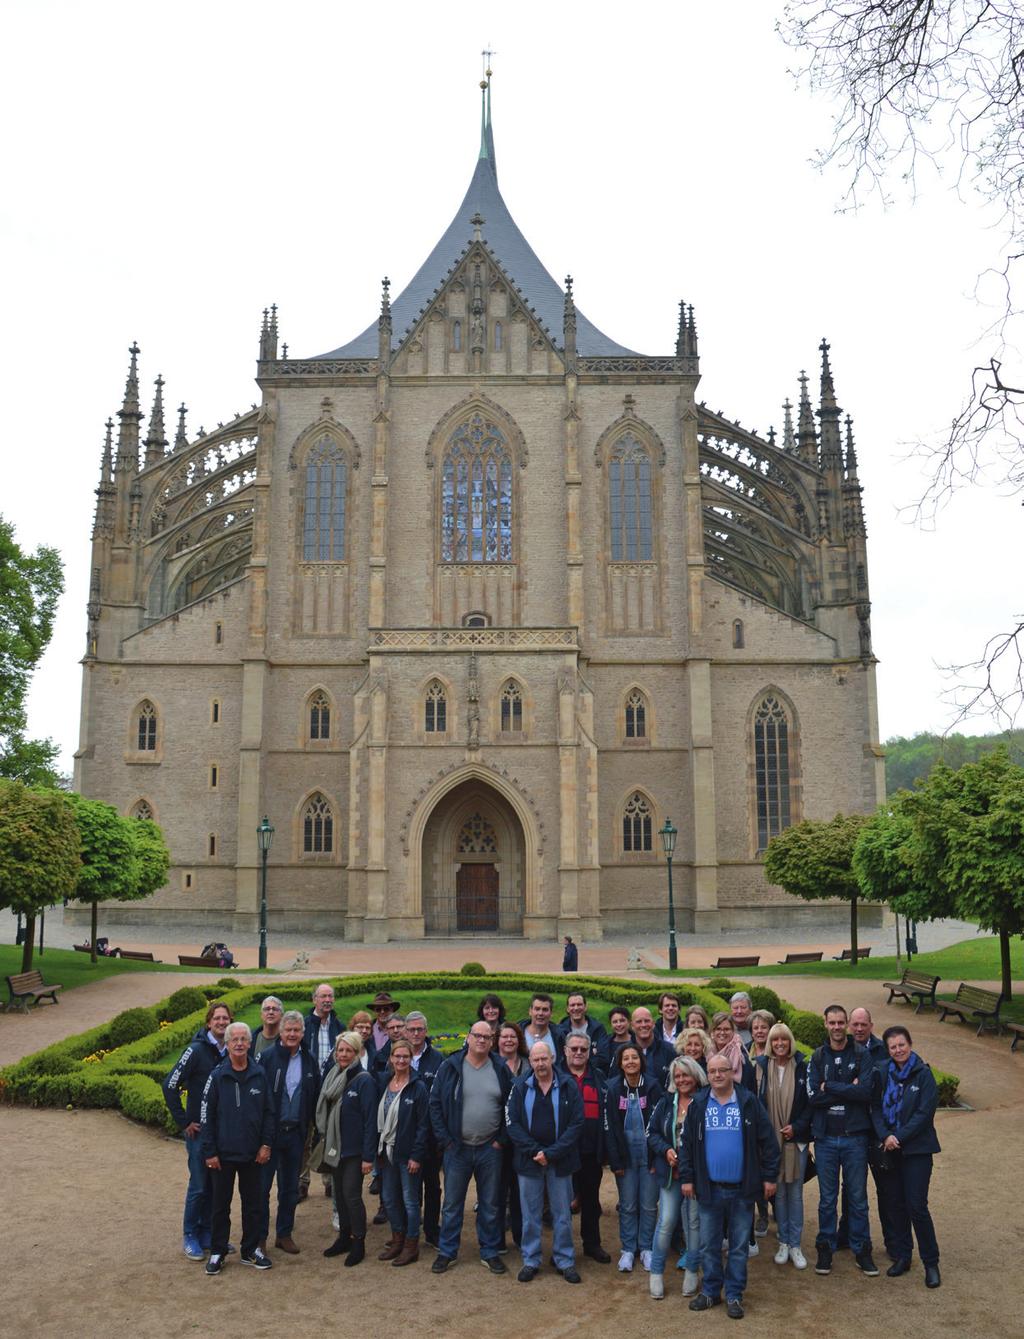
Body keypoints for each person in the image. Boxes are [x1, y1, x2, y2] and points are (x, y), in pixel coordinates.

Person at [679, 1053, 779, 1320]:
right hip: (708, 1189)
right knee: (709, 1245)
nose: (717, 1075)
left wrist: (770, 1177)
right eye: (712, 1071)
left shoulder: (748, 1102)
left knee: (738, 1247)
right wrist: (687, 1178)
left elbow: (768, 1142)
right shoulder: (699, 1104)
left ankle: (734, 1294)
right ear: (707, 1075)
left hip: (742, 1189)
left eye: (722, 1070)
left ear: (732, 1071)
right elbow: (686, 1145)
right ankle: (711, 1291)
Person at [429, 1020, 514, 1274]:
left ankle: (489, 1251)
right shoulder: (450, 1066)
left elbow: (513, 1106)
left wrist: (502, 1139)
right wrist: (445, 1140)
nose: (481, 1040)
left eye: (487, 1037)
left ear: (492, 1041)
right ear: (468, 1037)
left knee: (490, 1203)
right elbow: (435, 1104)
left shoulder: (500, 1068)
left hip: (491, 1147)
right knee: (453, 1203)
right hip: (457, 1147)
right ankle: (447, 1250)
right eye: (477, 1035)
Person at [806, 1003, 878, 1278]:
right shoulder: (817, 1057)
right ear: (825, 1024)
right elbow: (814, 1097)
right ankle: (826, 1245)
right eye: (832, 1022)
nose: (837, 1027)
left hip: (854, 1138)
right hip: (825, 1138)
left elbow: (866, 1093)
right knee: (827, 1199)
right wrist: (850, 1089)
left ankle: (862, 1249)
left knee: (858, 1198)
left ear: (847, 1024)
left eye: (840, 1022)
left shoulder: (862, 1054)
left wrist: (831, 1087)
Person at [200, 1021, 275, 1275]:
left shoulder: (260, 1074)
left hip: (253, 1153)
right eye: (235, 1040)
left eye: (244, 1039)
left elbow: (269, 1113)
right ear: (228, 1044)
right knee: (220, 1205)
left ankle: (251, 1249)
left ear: (250, 1043)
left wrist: (266, 1144)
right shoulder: (217, 1076)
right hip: (222, 1154)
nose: (240, 1044)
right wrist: (209, 1151)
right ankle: (218, 1250)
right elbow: (206, 1115)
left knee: (253, 1204)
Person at [506, 1042, 584, 1283]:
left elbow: (576, 1124)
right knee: (530, 1214)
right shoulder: (519, 1087)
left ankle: (564, 1259)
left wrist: (552, 1153)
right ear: (530, 1061)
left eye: (544, 1059)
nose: (540, 1064)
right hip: (529, 1160)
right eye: (535, 1060)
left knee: (562, 1213)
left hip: (560, 1160)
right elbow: (512, 1124)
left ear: (553, 1058)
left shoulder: (568, 1085)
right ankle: (531, 1259)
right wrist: (536, 1151)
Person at [871, 1025, 942, 1289]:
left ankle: (931, 1262)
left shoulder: (923, 1074)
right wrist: (885, 1135)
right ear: (888, 1050)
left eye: (902, 1045)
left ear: (909, 1044)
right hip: (890, 1148)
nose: (898, 1050)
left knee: (917, 1206)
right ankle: (903, 1255)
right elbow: (875, 1108)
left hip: (917, 1150)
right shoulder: (882, 1073)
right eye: (893, 1047)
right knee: (895, 1204)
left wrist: (898, 1136)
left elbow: (924, 1114)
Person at [162, 1000, 232, 1260]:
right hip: (199, 1130)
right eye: (217, 1019)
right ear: (208, 1022)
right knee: (200, 1184)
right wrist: (184, 1121)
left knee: (215, 1185)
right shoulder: (196, 1050)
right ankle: (190, 1234)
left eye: (226, 1019)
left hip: (223, 1131)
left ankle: (207, 1233)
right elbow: (169, 1084)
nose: (222, 1023)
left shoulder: (231, 1050)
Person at [256, 1010, 321, 1254]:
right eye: (288, 1030)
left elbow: (314, 1094)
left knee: (289, 1188)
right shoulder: (267, 1058)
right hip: (270, 1135)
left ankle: (284, 1234)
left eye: (297, 1030)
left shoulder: (310, 1060)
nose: (293, 1034)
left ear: (303, 1032)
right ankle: (260, 1236)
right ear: (280, 1033)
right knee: (262, 1188)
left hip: (296, 1134)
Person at [648, 1056, 707, 1299]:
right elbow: (651, 1133)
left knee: (693, 1223)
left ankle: (692, 1269)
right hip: (671, 1174)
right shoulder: (665, 1102)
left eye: (686, 1074)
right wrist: (666, 1150)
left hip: (696, 1176)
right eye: (678, 1076)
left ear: (695, 1076)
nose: (682, 1079)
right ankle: (656, 1272)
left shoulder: (705, 1101)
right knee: (666, 1221)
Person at [318, 1031, 378, 1266]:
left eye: (348, 1051)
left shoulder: (364, 1080)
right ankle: (344, 1237)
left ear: (356, 1053)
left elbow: (370, 1120)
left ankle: (358, 1241)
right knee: (340, 1196)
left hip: (354, 1151)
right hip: (336, 1147)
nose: (343, 1054)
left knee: (352, 1195)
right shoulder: (334, 1076)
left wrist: (368, 1156)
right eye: (339, 1050)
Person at [604, 1043, 664, 1272]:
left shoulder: (652, 1086)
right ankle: (628, 1249)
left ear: (641, 1061)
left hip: (648, 1156)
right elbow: (608, 1127)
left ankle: (646, 1247)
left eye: (634, 1057)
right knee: (628, 1205)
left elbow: (657, 1123)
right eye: (626, 1058)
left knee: (648, 1205)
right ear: (620, 1063)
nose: (630, 1061)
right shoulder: (612, 1088)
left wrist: (654, 1158)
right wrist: (615, 1161)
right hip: (624, 1156)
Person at [754, 1022, 810, 1269]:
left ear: (790, 1042)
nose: (779, 1044)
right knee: (779, 1192)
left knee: (795, 1194)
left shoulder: (802, 1067)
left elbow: (810, 1104)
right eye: (775, 1040)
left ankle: (795, 1243)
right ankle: (783, 1243)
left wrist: (796, 1126)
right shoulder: (762, 1066)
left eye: (784, 1040)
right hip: (772, 1141)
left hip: (794, 1140)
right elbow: (757, 1103)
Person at [839, 1005, 890, 1254]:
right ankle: (846, 1234)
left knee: (886, 1189)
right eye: (855, 1024)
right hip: (855, 1128)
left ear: (871, 1025)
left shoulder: (882, 1049)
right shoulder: (843, 1048)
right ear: (850, 1025)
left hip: (878, 1130)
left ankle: (892, 1243)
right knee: (850, 1187)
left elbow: (877, 1085)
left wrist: (861, 1083)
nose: (859, 1029)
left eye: (863, 1024)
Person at [375, 1037, 430, 1267]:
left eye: (405, 1056)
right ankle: (397, 1238)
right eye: (397, 1056)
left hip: (408, 1154)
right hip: (386, 1152)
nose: (401, 1060)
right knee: (389, 1198)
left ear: (411, 1059)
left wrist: (417, 1156)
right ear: (391, 1058)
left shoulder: (417, 1087)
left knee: (409, 1200)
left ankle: (411, 1244)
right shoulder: (384, 1082)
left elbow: (423, 1125)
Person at [561, 1030, 610, 1263]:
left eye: (583, 1049)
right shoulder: (556, 1075)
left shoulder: (599, 1077)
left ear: (590, 1051)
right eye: (574, 1049)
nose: (579, 1053)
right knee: (562, 1203)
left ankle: (592, 1244)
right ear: (565, 1051)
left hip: (590, 1151)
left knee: (590, 1201)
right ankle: (563, 1247)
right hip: (563, 1151)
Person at [404, 1010, 444, 1247]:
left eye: (420, 1029)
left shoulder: (437, 1059)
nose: (416, 1033)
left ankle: (431, 1229)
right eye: (412, 1029)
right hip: (405, 1133)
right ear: (406, 1032)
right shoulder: (400, 1056)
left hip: (430, 1135)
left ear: (426, 1031)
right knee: (408, 1188)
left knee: (432, 1186)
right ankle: (408, 1231)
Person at [301, 983, 342, 1201]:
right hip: (308, 1088)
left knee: (330, 1135)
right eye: (323, 996)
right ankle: (302, 1181)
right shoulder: (305, 1025)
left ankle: (329, 1181)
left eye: (330, 996)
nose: (327, 1000)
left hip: (331, 1089)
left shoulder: (339, 1026)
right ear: (314, 999)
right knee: (305, 1137)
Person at [496, 1022, 529, 1251]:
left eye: (513, 1037)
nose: (508, 1040)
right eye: (504, 1036)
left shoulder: (528, 1064)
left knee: (520, 1191)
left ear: (519, 1040)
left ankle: (520, 1235)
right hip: (497, 1137)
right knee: (496, 1191)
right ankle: (497, 1239)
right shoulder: (490, 1064)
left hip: (523, 1137)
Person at [558, 990, 609, 1067]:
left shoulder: (598, 1028)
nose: (576, 1008)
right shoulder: (560, 1030)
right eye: (572, 1005)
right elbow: (559, 1057)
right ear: (567, 1009)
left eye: (579, 1004)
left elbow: (603, 1057)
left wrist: (581, 1067)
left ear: (585, 1007)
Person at [709, 1012, 756, 1091]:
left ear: (733, 1031)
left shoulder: (741, 1057)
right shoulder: (707, 1053)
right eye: (718, 1029)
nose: (722, 1032)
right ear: (713, 1032)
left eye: (726, 1029)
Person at [630, 1007, 675, 1089]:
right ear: (632, 1026)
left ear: (653, 1024)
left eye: (647, 1021)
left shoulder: (670, 1051)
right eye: (639, 1022)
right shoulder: (623, 1053)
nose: (643, 1025)